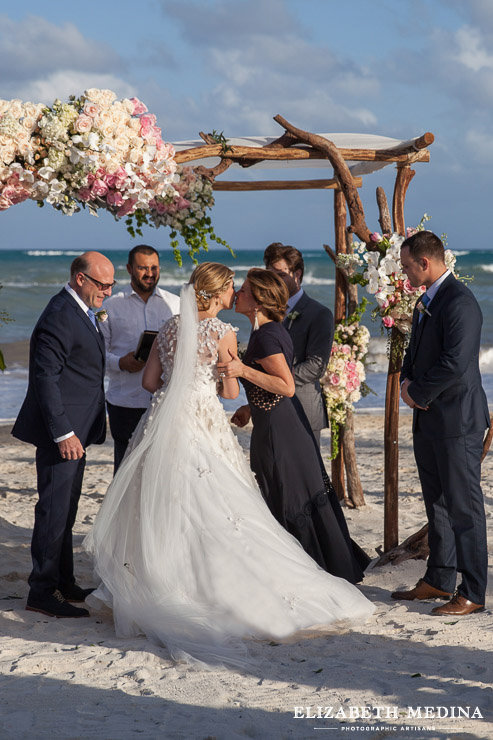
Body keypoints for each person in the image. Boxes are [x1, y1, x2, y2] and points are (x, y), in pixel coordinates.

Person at [84, 262, 373, 668]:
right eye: (230, 288)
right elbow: (231, 388)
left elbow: (150, 383)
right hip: (200, 420)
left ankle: (156, 584)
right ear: (217, 294)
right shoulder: (224, 332)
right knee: (218, 501)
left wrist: (178, 381)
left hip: (162, 419)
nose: (235, 292)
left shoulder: (169, 327)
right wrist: (221, 381)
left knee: (162, 500)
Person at [220, 268, 370, 584]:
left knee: (288, 497)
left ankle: (308, 572)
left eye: (244, 289)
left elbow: (286, 385)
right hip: (276, 424)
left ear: (258, 301)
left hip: (281, 435)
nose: (238, 293)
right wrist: (251, 406)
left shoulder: (268, 334)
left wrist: (241, 371)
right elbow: (276, 383)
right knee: (284, 494)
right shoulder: (267, 331)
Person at [12, 252, 115, 618]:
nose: (108, 291)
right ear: (80, 279)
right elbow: (45, 379)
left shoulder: (81, 311)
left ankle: (63, 582)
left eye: (111, 284)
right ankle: (41, 591)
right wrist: (64, 433)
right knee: (54, 511)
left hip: (78, 430)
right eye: (102, 285)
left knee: (67, 509)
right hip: (64, 434)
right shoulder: (59, 315)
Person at [392, 230, 489, 616]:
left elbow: (456, 362)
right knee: (437, 504)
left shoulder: (460, 303)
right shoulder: (425, 300)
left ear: (424, 263)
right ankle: (439, 578)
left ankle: (474, 592)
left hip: (457, 420)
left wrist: (417, 392)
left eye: (405, 266)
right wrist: (404, 379)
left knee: (465, 508)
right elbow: (416, 352)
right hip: (430, 420)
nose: (403, 273)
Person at [101, 245, 180, 473]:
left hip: (164, 399)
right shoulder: (109, 306)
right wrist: (120, 363)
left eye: (154, 267)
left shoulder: (174, 304)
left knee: (162, 469)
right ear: (129, 269)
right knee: (125, 469)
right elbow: (97, 355)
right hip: (124, 401)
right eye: (143, 268)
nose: (149, 273)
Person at [263, 243, 334, 445]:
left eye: (280, 274)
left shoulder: (319, 314)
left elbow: (315, 367)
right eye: (270, 275)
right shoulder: (265, 311)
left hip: (302, 408)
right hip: (269, 410)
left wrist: (274, 381)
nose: (274, 281)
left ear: (297, 274)